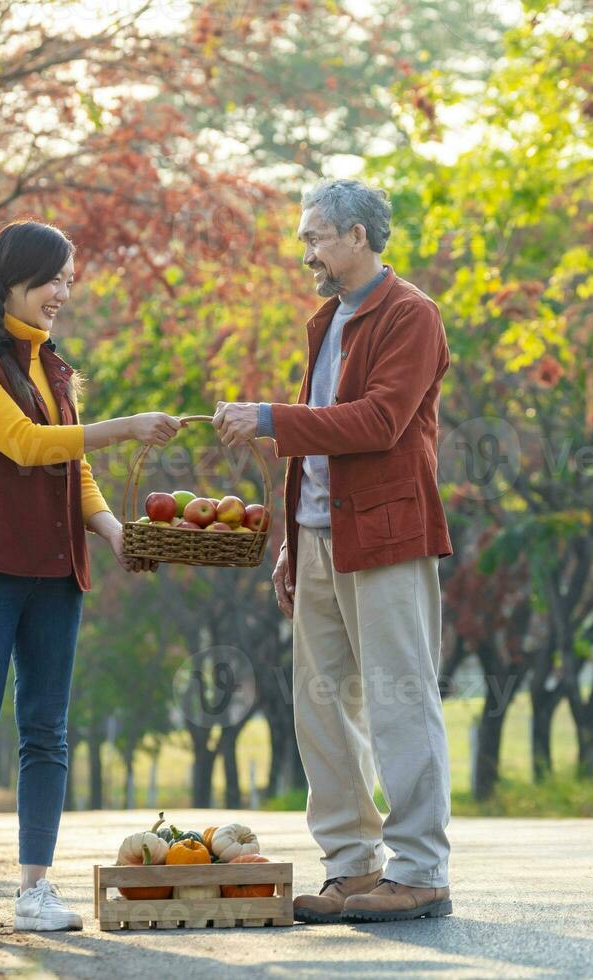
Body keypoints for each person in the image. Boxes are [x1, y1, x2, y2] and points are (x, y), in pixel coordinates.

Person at [0, 219, 182, 936]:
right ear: (14, 278)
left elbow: (74, 467)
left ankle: (36, 889)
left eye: (70, 280)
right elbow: (28, 445)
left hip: (58, 569)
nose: (65, 292)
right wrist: (125, 426)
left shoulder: (52, 364)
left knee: (46, 733)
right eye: (55, 278)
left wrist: (117, 533)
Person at [213, 178, 455, 923]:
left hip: (385, 537)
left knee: (399, 700)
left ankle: (418, 871)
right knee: (321, 707)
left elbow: (380, 421)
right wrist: (289, 541)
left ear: (357, 236)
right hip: (318, 538)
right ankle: (352, 866)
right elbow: (319, 438)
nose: (305, 251)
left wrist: (267, 417)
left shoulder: (411, 315)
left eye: (315, 236)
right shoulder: (329, 320)